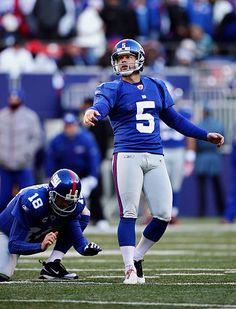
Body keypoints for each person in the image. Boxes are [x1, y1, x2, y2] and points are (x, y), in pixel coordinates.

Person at [83, 38, 224, 284]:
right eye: (120, 58)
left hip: (156, 156)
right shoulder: (111, 88)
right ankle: (128, 268)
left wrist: (204, 135)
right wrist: (93, 111)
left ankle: (137, 256)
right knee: (129, 213)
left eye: (128, 56)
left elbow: (175, 119)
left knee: (163, 215)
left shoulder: (157, 86)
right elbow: (101, 105)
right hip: (127, 155)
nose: (124, 61)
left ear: (139, 59)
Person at [0, 168, 102, 282]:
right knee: (2, 274)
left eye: (69, 201)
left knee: (84, 212)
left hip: (37, 230)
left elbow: (75, 233)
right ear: (51, 194)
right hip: (7, 233)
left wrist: (85, 248)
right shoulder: (32, 202)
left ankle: (52, 264)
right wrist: (40, 246)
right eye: (61, 200)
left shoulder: (74, 205)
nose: (65, 205)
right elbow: (13, 244)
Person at [45, 113, 101, 225]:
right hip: (64, 178)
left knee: (92, 193)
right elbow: (50, 160)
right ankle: (59, 219)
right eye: (67, 126)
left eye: (71, 125)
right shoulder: (57, 140)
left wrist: (92, 176)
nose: (69, 128)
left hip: (83, 176)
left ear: (76, 125)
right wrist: (49, 176)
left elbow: (93, 158)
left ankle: (99, 218)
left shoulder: (86, 138)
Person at [0, 88, 43, 213]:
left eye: (16, 98)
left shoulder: (30, 116)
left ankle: (29, 227)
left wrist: (27, 154)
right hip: (4, 166)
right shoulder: (2, 116)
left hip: (24, 165)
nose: (14, 101)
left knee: (28, 199)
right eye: (12, 98)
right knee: (3, 199)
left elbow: (37, 138)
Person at [194, 106, 225, 217]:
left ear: (204, 112)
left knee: (202, 188)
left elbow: (195, 144)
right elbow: (221, 142)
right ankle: (222, 211)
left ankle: (201, 212)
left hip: (202, 158)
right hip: (214, 157)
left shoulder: (199, 125)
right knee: (217, 186)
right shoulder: (218, 124)